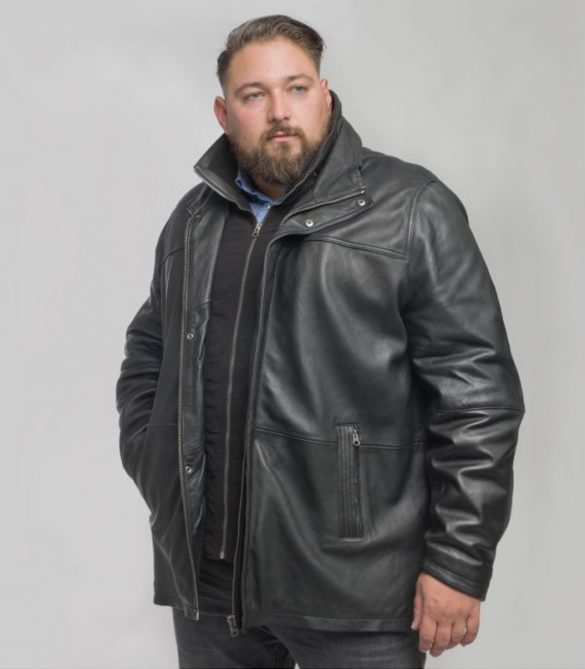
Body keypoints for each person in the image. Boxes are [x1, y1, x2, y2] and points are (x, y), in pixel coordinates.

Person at [115, 14, 525, 669]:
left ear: (324, 95)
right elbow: (147, 357)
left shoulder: (411, 208)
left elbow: (477, 397)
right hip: (210, 588)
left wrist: (457, 561)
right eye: (254, 95)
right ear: (224, 112)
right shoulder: (193, 220)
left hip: (358, 586)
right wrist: (158, 464)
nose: (280, 110)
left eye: (296, 88)